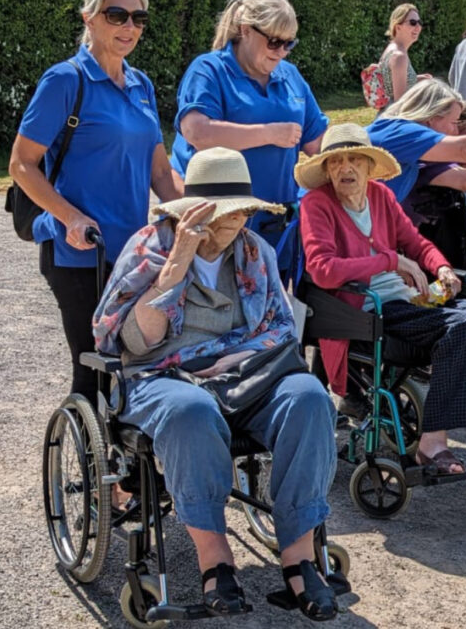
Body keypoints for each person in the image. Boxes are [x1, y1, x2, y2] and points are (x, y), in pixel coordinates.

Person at [93, 147, 340, 621]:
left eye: (241, 211)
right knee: (191, 410)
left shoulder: (255, 251)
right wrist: (176, 266)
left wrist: (231, 359)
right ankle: (215, 559)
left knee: (310, 398)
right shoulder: (149, 247)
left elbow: (280, 329)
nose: (234, 221)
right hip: (163, 374)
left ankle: (299, 556)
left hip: (246, 373)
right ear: (191, 212)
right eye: (222, 212)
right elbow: (129, 341)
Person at [299, 123, 466, 473]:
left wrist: (442, 268)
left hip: (402, 300)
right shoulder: (317, 204)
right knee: (461, 324)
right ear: (327, 169)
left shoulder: (379, 195)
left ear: (370, 166)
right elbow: (323, 270)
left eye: (355, 159)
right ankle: (433, 442)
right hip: (363, 310)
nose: (346, 168)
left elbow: (416, 243)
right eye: (336, 161)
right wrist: (391, 260)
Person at [8, 0, 179, 405]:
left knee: (140, 361)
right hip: (79, 251)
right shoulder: (66, 81)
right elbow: (22, 164)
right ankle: (84, 450)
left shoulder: (141, 85)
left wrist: (197, 214)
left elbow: (160, 173)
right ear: (89, 17)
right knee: (94, 372)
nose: (129, 27)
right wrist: (71, 218)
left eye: (138, 18)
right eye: (116, 15)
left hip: (134, 254)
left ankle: (129, 449)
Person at [170, 0, 328, 281]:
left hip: (275, 226)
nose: (280, 52)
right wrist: (269, 134)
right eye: (274, 41)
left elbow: (317, 143)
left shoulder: (290, 76)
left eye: (289, 44)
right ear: (245, 30)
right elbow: (197, 132)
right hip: (217, 227)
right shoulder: (209, 70)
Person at [377, 4, 431, 107]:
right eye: (412, 22)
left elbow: (391, 82)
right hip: (393, 114)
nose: (418, 27)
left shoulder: (393, 49)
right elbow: (400, 103)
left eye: (419, 22)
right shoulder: (399, 56)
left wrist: (416, 79)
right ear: (398, 27)